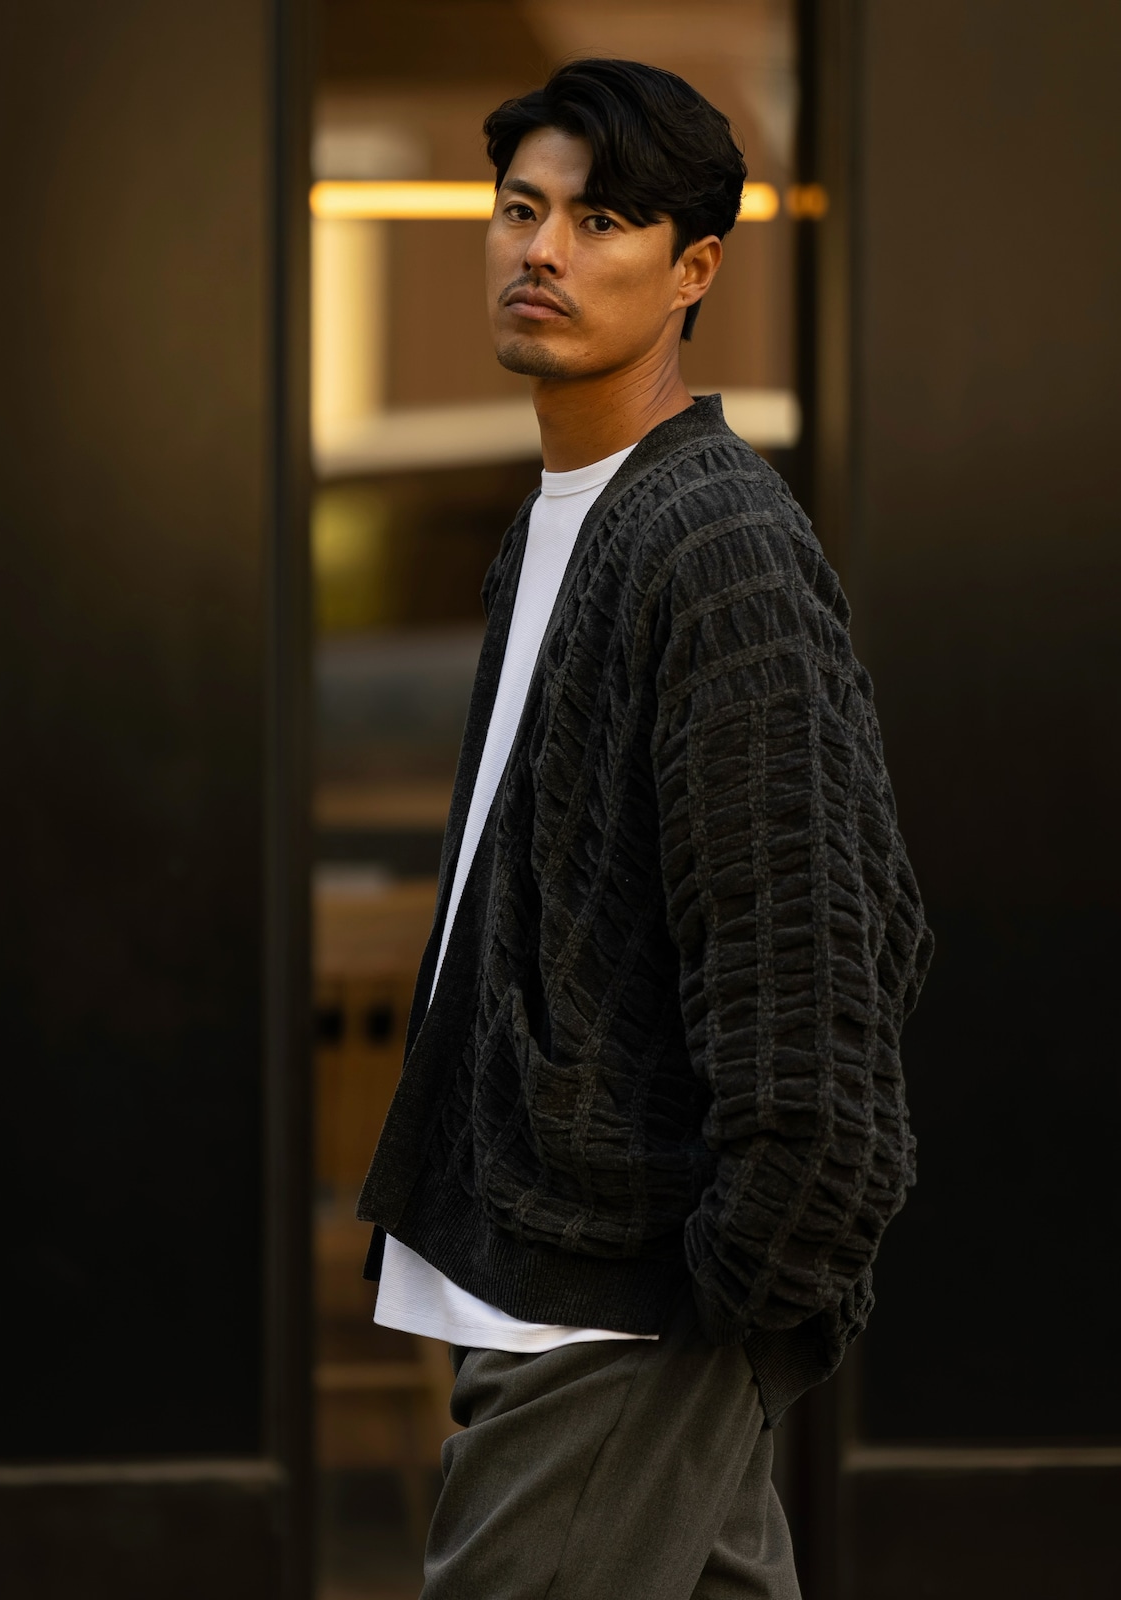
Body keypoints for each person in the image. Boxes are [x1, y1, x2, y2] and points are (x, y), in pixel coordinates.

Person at [358, 58, 932, 1599]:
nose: (543, 248)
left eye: (602, 220)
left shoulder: (715, 544)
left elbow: (813, 952)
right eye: (521, 208)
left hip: (620, 1303)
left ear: (694, 271)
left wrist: (734, 1295)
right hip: (564, 1278)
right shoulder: (558, 525)